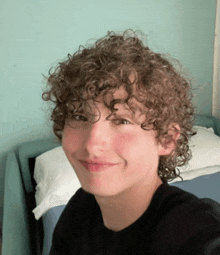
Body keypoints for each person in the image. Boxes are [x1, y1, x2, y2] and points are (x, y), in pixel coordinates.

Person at [43, 30, 220, 254]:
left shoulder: (197, 230)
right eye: (79, 117)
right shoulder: (80, 208)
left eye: (122, 120)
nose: (91, 144)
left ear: (166, 139)